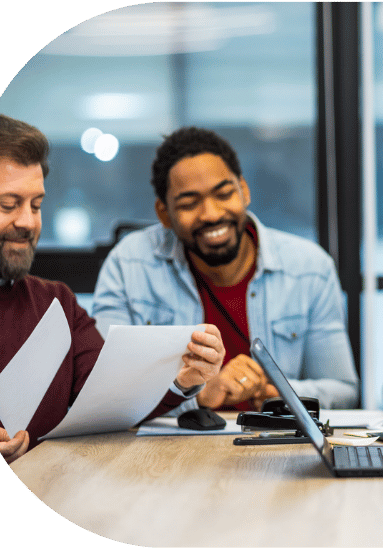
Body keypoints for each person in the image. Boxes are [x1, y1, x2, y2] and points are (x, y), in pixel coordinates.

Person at [0, 114, 225, 464]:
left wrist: (179, 382)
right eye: (8, 205)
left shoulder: (55, 301)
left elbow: (111, 400)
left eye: (36, 205)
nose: (28, 222)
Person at [93, 127, 359, 411]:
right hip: (171, 449)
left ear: (244, 190)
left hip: (272, 445)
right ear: (163, 213)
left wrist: (274, 392)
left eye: (223, 194)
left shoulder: (310, 269)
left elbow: (343, 391)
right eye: (189, 203)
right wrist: (200, 395)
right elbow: (103, 391)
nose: (211, 213)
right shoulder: (128, 264)